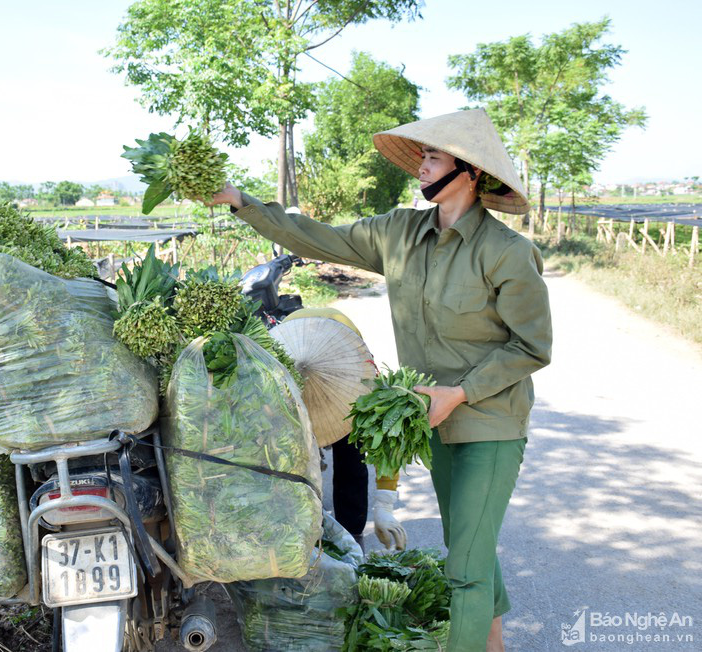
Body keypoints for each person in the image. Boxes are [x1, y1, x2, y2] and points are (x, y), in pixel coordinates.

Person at [207, 108, 552, 652]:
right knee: (472, 540)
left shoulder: (506, 253)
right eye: (422, 156)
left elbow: (532, 346)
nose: (421, 166)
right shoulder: (399, 232)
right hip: (430, 421)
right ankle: (493, 641)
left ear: (470, 172)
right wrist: (243, 204)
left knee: (464, 563)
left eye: (433, 156)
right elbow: (318, 238)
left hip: (489, 421)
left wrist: (459, 392)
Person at [281, 307, 407, 551]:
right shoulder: (276, 383)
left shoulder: (359, 383)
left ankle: (352, 537)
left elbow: (388, 438)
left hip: (340, 355)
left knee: (352, 457)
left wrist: (384, 504)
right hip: (295, 345)